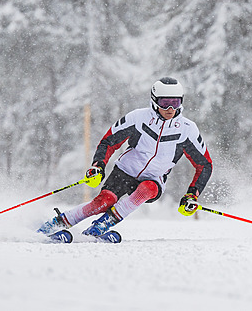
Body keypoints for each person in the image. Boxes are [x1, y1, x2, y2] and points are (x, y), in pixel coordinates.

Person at [38, 77, 213, 237]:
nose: (170, 109)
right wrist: (98, 165)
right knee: (104, 201)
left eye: (175, 103)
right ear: (154, 101)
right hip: (125, 170)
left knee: (147, 188)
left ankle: (100, 226)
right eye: (165, 102)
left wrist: (192, 194)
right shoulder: (138, 118)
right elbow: (109, 141)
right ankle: (57, 223)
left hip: (154, 178)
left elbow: (204, 165)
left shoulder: (187, 129)